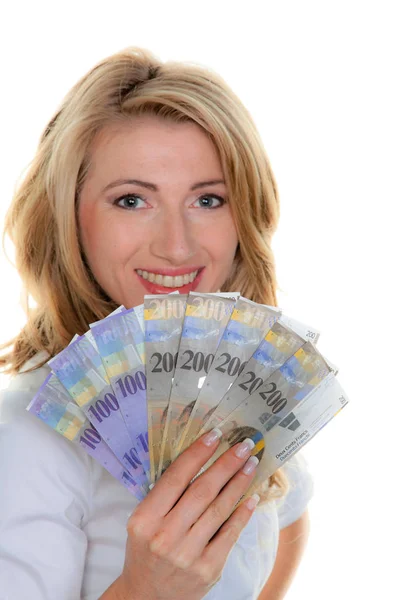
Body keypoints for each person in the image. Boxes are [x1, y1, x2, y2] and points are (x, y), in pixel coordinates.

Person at [0, 46, 313, 600]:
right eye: (131, 200)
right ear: (68, 218)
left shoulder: (234, 390)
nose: (176, 246)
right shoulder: (23, 435)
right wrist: (147, 590)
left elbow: (288, 516)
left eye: (208, 199)